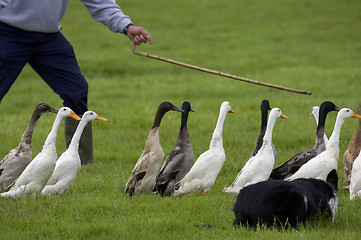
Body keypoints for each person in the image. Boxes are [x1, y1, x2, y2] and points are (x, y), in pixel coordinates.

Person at [0, 1, 152, 164]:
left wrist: (126, 26)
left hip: (49, 38)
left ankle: (79, 162)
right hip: (8, 34)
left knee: (76, 90)